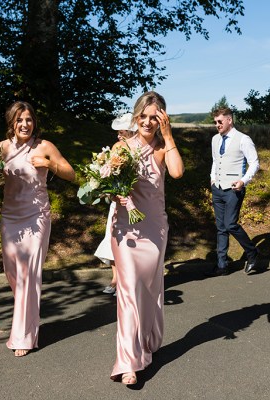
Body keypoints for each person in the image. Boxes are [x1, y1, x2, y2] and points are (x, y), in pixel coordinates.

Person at [0, 101, 76, 357]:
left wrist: (49, 164)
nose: (25, 124)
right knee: (13, 273)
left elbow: (71, 173)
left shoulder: (44, 146)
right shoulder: (1, 148)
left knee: (29, 274)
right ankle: (29, 316)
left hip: (37, 216)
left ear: (34, 122)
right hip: (10, 217)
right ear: (12, 122)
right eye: (20, 120)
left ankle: (24, 335)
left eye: (29, 119)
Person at [109, 91, 184, 386]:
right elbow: (107, 185)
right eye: (145, 115)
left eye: (156, 117)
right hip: (126, 230)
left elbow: (177, 173)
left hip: (155, 229)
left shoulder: (164, 149)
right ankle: (127, 361)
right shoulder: (122, 147)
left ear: (162, 119)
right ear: (136, 115)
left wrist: (168, 136)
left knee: (150, 290)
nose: (149, 121)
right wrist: (114, 191)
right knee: (128, 290)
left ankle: (149, 341)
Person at [207, 107, 260, 277]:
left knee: (230, 224)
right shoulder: (215, 139)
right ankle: (222, 265)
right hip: (218, 188)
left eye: (220, 121)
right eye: (215, 122)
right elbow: (216, 160)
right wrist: (213, 178)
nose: (217, 125)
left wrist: (243, 181)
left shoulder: (243, 139)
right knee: (221, 228)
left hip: (234, 189)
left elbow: (254, 163)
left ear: (229, 120)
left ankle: (252, 253)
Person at [94, 113, 137, 296]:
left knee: (132, 242)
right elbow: (110, 173)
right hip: (117, 201)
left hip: (135, 202)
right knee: (112, 239)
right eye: (118, 133)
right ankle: (115, 279)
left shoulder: (138, 150)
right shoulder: (117, 147)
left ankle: (128, 281)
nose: (118, 136)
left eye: (122, 132)